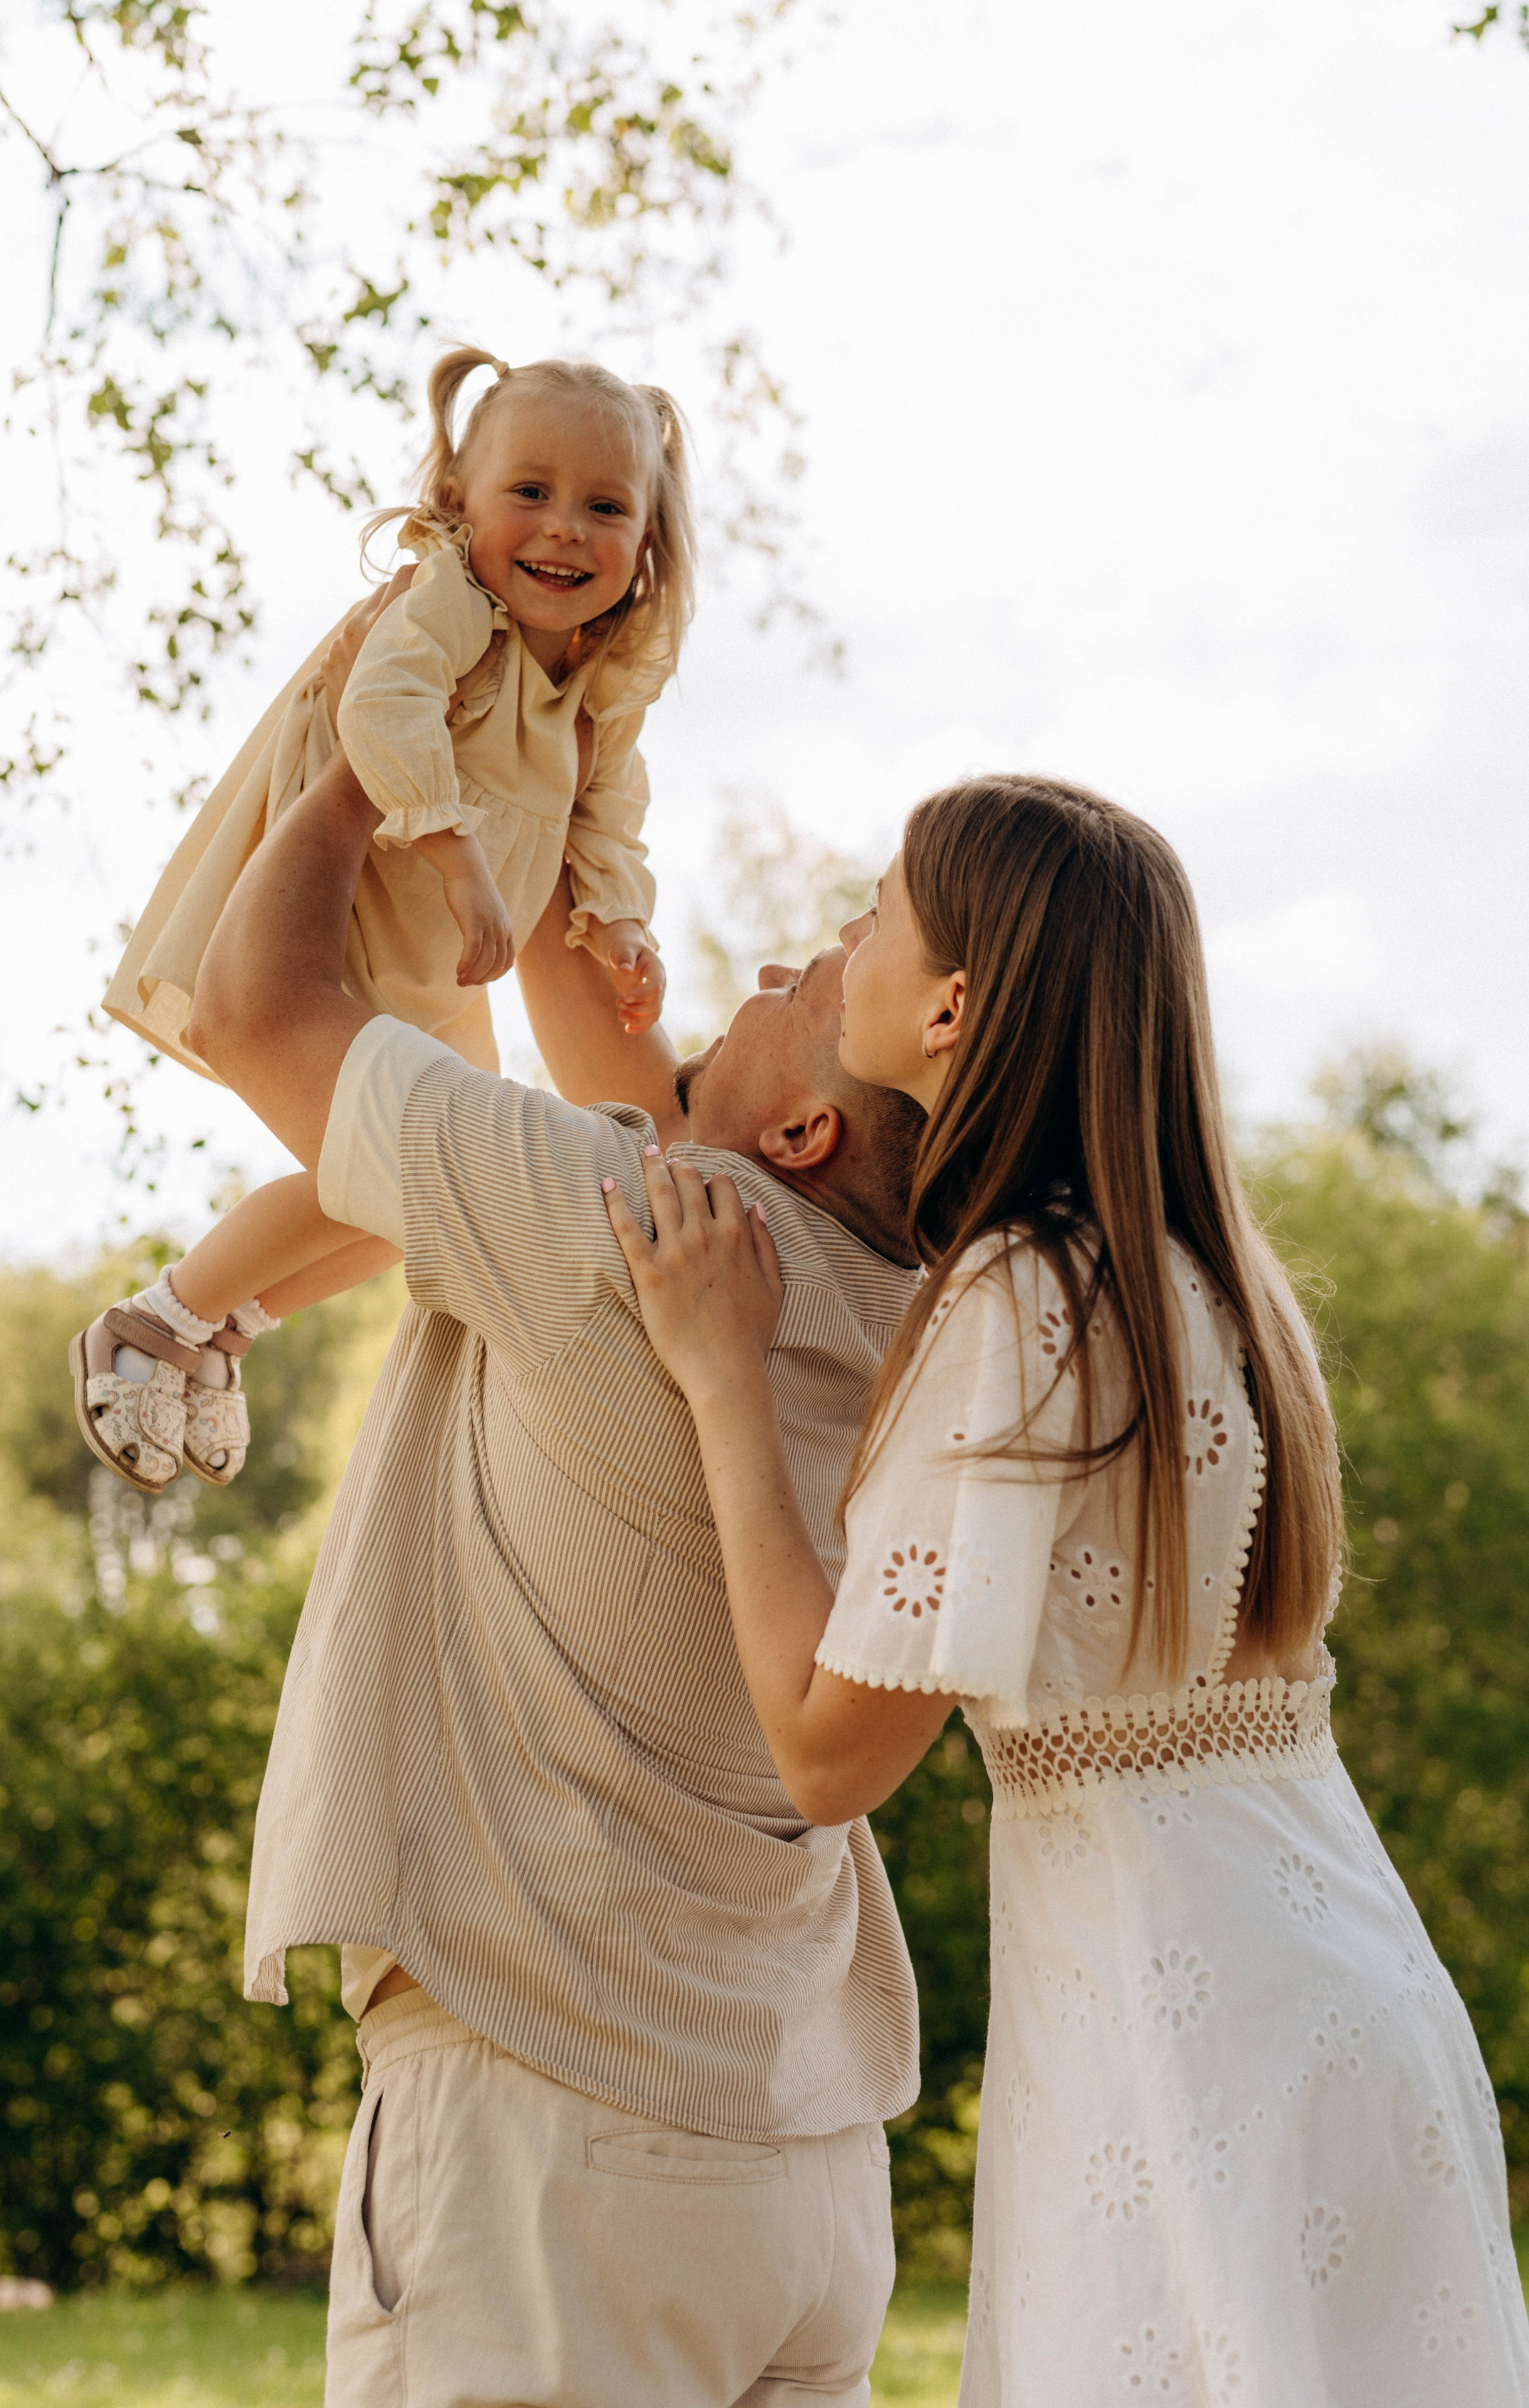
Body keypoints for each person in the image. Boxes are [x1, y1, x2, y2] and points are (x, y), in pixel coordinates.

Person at [606, 774, 1529, 2407]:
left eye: (877, 910)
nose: (846, 936)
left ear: (954, 1001)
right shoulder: (1203, 1279)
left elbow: (830, 1758)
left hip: (1185, 2036)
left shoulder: (1022, 1296)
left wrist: (720, 1377)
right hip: (1337, 1982)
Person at [183, 735, 929, 2405]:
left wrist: (381, 764)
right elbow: (632, 1060)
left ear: (804, 1126)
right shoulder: (926, 1343)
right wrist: (556, 808)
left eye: (820, 972)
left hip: (548, 2146)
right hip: (802, 2168)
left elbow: (255, 1004)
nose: (781, 962)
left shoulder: (608, 1212)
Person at [76, 344, 690, 1494]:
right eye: (531, 494)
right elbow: (384, 708)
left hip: (441, 968)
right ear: (461, 502)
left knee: (429, 1209)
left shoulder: (596, 685)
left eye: (605, 507)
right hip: (355, 923)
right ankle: (158, 1320)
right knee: (394, 1170)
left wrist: (620, 926)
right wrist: (460, 859)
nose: (564, 529)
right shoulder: (448, 603)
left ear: (647, 538)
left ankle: (227, 1327)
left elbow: (608, 816)